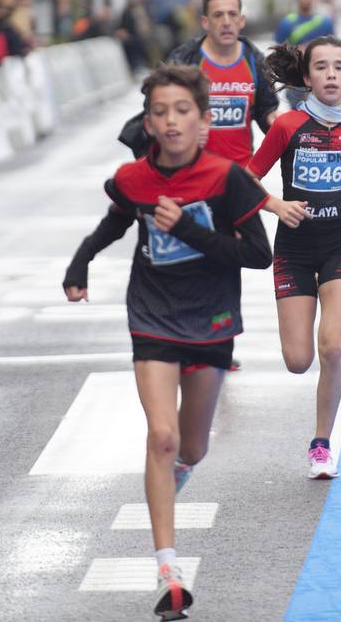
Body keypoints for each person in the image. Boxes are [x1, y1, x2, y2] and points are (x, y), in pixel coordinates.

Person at [64, 64, 272, 621]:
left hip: (211, 318)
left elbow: (258, 254)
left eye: (183, 110)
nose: (171, 121)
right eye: (160, 112)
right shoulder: (134, 178)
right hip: (152, 314)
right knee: (161, 435)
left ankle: (173, 479)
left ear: (204, 120)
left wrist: (189, 230)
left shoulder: (228, 178)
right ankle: (168, 569)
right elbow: (117, 220)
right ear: (148, 123)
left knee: (192, 447)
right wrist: (80, 261)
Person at [118, 0, 308, 371]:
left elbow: (267, 110)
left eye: (231, 15)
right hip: (192, 177)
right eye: (217, 15)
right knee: (193, 255)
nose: (225, 22)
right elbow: (157, 106)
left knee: (231, 258)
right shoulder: (188, 58)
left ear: (241, 20)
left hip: (239, 180)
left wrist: (288, 132)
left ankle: (216, 338)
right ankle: (188, 336)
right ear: (205, 22)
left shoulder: (252, 59)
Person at [247, 36, 341, 480]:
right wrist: (274, 204)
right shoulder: (288, 126)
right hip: (293, 249)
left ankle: (321, 445)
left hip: (339, 247)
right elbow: (247, 178)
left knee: (332, 345)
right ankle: (318, 432)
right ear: (306, 78)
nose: (331, 75)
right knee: (298, 360)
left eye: (339, 67)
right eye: (322, 67)